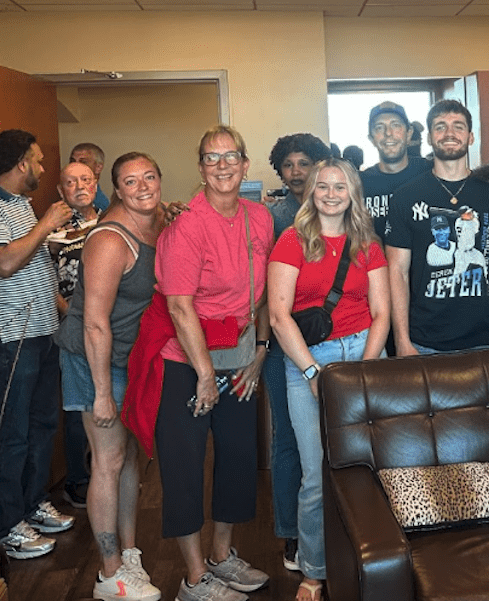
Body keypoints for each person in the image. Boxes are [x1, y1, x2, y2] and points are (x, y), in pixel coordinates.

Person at [127, 125, 272, 601]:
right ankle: (194, 577)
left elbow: (266, 292)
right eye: (212, 158)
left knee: (236, 457)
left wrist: (259, 352)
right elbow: (179, 306)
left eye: (232, 157)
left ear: (246, 165)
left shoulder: (261, 217)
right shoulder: (186, 224)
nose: (223, 165)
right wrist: (206, 375)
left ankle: (222, 554)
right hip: (185, 361)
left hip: (240, 356)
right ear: (201, 168)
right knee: (184, 464)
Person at [268, 157, 390, 601]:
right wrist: (311, 372)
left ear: (352, 192)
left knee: (367, 467)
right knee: (316, 473)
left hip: (361, 354)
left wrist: (365, 369)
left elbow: (382, 313)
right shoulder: (292, 240)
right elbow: (280, 317)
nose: (332, 194)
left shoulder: (367, 244)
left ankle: (370, 558)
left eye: (341, 186)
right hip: (307, 359)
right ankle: (315, 571)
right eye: (324, 186)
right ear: (312, 191)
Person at [54, 152, 166, 601]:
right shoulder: (110, 240)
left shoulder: (157, 219)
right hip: (93, 359)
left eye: (149, 177)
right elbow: (94, 322)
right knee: (108, 460)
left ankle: (129, 552)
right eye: (130, 181)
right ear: (115, 190)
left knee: (128, 458)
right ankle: (109, 574)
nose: (142, 187)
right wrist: (102, 394)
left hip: (130, 358)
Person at [0, 129, 76, 560]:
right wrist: (46, 226)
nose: (41, 168)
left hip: (42, 331)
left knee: (42, 428)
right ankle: (7, 525)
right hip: (10, 337)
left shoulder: (20, 204)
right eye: (37, 161)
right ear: (20, 163)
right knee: (11, 435)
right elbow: (2, 263)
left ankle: (34, 504)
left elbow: (35, 268)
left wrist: (65, 311)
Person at [385, 99, 489, 355]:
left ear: (470, 137)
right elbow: (397, 273)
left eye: (458, 126)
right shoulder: (405, 196)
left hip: (487, 339)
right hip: (424, 342)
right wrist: (402, 341)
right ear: (429, 138)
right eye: (440, 127)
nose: (449, 133)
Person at [263, 132, 332, 573]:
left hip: (335, 340)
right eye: (288, 164)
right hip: (283, 342)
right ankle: (291, 531)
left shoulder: (340, 213)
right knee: (288, 438)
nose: (296, 172)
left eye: (305, 163)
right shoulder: (273, 218)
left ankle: (330, 528)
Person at [49, 161, 101, 510]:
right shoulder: (51, 231)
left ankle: (109, 471)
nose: (79, 186)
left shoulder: (115, 220)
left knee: (113, 398)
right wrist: (75, 314)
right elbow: (44, 281)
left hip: (115, 326)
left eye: (85, 179)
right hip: (72, 325)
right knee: (78, 405)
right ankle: (79, 480)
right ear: (60, 190)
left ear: (96, 182)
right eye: (71, 182)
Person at [360, 101, 432, 239]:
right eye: (379, 127)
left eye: (396, 125)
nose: (388, 133)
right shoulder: (360, 182)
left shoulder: (430, 171)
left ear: (409, 133)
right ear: (372, 139)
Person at [70, 142, 112, 211]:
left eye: (83, 162)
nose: (75, 165)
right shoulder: (69, 196)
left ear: (98, 167)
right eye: (72, 161)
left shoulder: (101, 206)